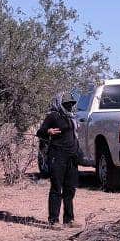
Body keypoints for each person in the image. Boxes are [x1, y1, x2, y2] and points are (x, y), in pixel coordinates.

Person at [36, 93, 82, 227]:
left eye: (71, 103)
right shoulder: (53, 116)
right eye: (66, 103)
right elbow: (40, 132)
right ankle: (53, 220)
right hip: (57, 155)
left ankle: (69, 220)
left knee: (70, 188)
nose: (69, 105)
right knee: (56, 188)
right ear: (59, 103)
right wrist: (48, 131)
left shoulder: (71, 117)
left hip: (72, 157)